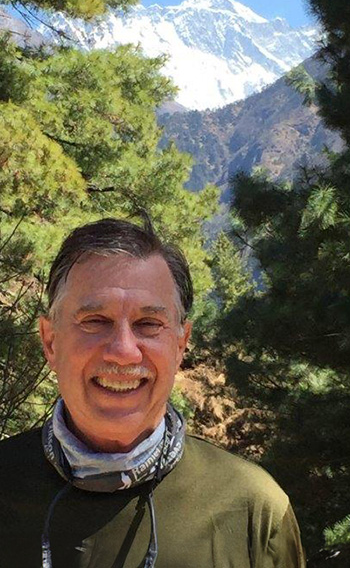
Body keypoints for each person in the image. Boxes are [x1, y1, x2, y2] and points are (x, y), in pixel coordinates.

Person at [0, 217, 305, 568]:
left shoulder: (253, 511)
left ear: (181, 345)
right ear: (51, 342)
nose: (124, 351)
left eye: (148, 325)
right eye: (95, 321)